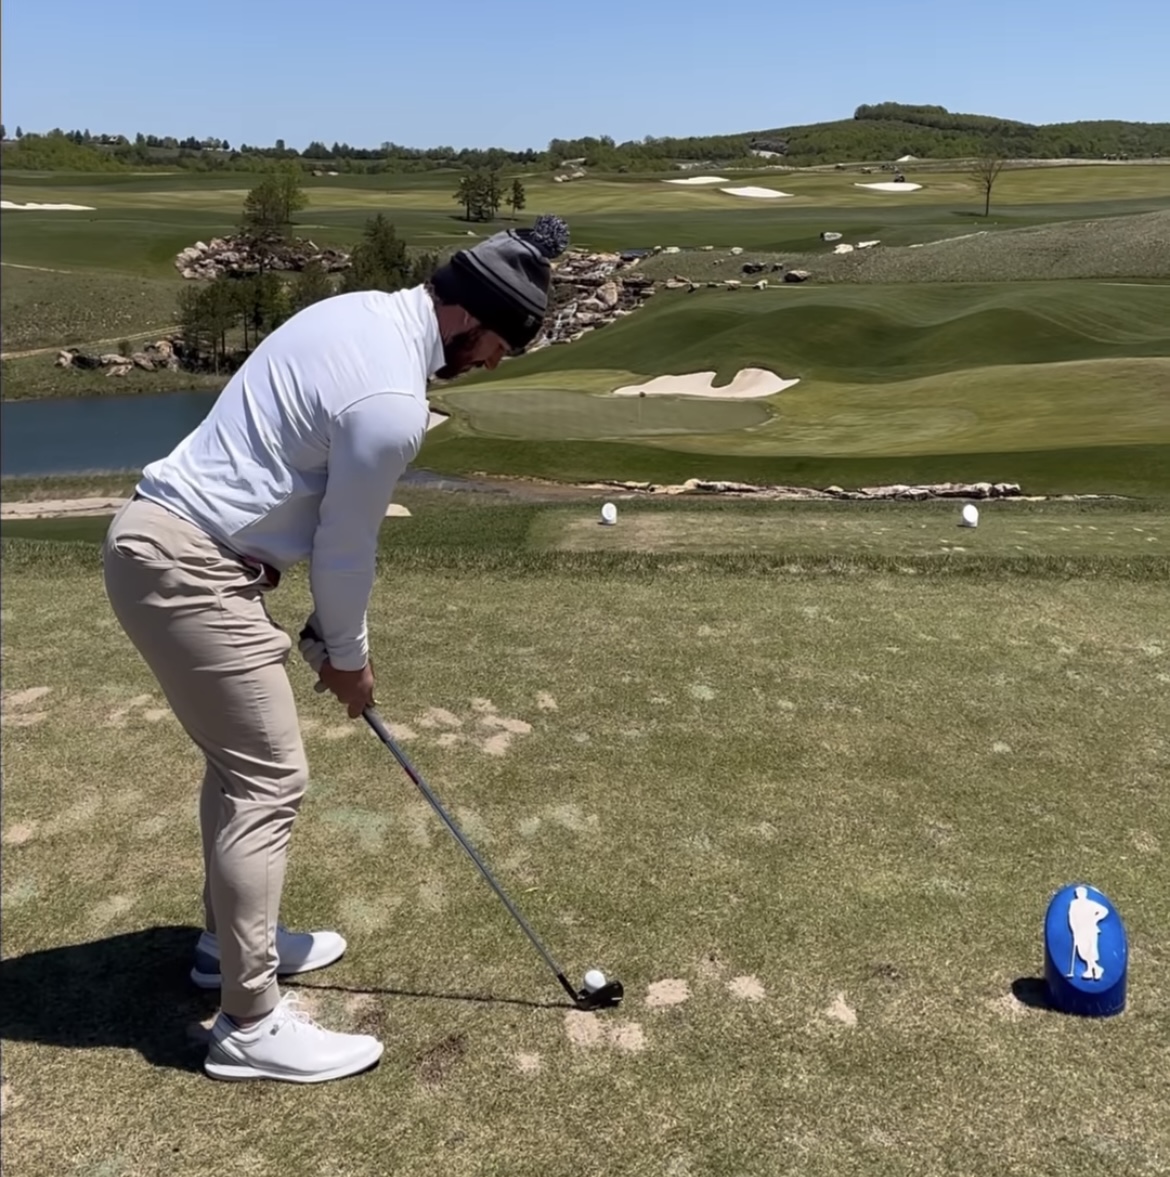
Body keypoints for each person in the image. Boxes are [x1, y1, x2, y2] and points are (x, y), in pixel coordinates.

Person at [102, 215, 570, 1084]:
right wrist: (347, 657)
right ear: (468, 317)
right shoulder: (392, 400)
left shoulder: (353, 312)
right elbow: (345, 545)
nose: (493, 363)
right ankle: (249, 1024)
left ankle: (225, 946)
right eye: (498, 345)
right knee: (268, 779)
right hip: (193, 566)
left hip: (166, 547)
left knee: (239, 766)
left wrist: (331, 638)